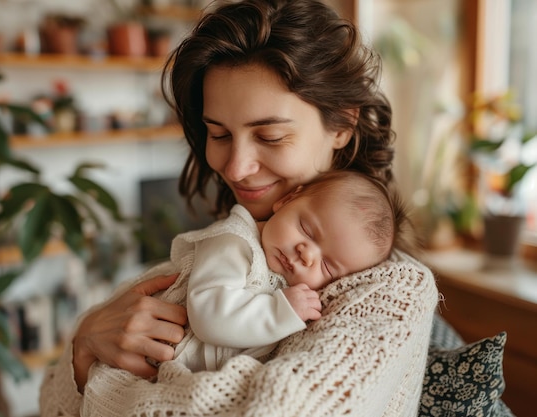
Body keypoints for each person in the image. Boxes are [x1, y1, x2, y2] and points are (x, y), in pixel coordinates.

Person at [40, 1, 438, 416]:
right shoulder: (235, 242)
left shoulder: (392, 291)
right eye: (219, 133)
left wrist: (100, 392)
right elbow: (50, 402)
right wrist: (85, 343)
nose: (235, 167)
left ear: (341, 125)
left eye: (269, 136)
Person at [148, 169, 403, 373]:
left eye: (327, 266)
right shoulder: (234, 241)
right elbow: (208, 316)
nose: (307, 254)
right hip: (148, 355)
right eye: (307, 229)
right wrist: (279, 312)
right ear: (287, 200)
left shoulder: (288, 284)